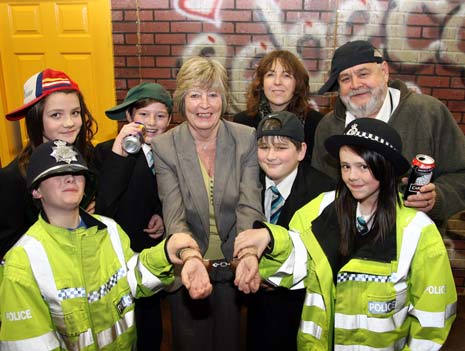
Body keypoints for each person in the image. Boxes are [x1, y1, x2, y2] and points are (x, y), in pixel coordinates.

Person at [235, 118, 457, 350]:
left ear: (385, 166)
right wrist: (270, 239)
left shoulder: (417, 230)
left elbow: (432, 318)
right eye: (345, 166)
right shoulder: (321, 208)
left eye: (363, 167)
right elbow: (298, 265)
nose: (352, 176)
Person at [0, 140, 212, 350]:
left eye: (76, 171)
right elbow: (28, 343)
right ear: (36, 190)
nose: (70, 179)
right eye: (56, 174)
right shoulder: (22, 261)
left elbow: (132, 278)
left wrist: (166, 252)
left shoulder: (109, 229)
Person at [152, 56, 265, 351]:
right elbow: (174, 214)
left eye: (213, 94)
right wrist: (190, 257)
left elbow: (249, 205)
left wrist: (249, 253)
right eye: (195, 95)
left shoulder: (245, 138)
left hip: (235, 265)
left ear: (223, 99)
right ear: (182, 100)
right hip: (189, 265)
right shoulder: (165, 146)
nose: (205, 104)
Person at [313, 40, 465, 229]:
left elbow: (460, 173)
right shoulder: (328, 128)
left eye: (363, 74)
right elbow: (319, 190)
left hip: (413, 245)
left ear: (384, 71)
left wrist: (438, 198)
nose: (355, 84)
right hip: (345, 246)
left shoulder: (429, 113)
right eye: (345, 79)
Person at [246, 110, 334, 351]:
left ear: (301, 151)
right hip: (255, 304)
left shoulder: (324, 191)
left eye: (281, 147)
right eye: (264, 147)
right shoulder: (247, 184)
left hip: (300, 306)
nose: (271, 156)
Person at [94, 82, 172, 351]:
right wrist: (121, 154)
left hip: (149, 260)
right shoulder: (106, 152)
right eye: (143, 115)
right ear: (129, 117)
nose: (152, 122)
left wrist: (161, 215)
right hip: (116, 259)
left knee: (151, 330)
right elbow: (104, 206)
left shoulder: (169, 152)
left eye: (160, 115)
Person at [0, 68, 98, 260]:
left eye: (75, 112)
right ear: (35, 119)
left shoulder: (90, 159)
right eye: (56, 115)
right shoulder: (13, 178)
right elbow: (9, 253)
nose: (69, 123)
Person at [234, 50, 323, 160]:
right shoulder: (242, 123)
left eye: (286, 75)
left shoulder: (317, 124)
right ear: (261, 83)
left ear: (297, 83)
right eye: (270, 75)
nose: (277, 82)